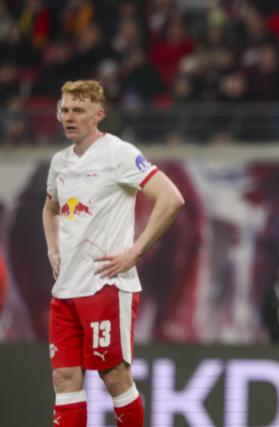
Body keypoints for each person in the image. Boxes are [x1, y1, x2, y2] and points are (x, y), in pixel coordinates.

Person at [42, 80, 184, 427]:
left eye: (78, 110)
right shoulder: (59, 162)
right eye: (64, 110)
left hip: (106, 286)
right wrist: (53, 247)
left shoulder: (118, 153)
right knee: (64, 381)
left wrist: (135, 251)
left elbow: (171, 198)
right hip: (66, 291)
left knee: (114, 376)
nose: (68, 117)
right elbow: (50, 208)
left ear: (98, 114)